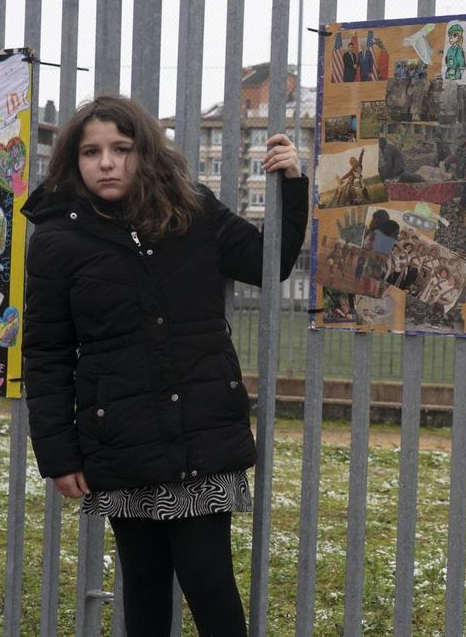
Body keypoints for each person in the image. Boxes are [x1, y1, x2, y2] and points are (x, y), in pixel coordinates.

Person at [22, 95, 308, 636]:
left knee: (210, 582)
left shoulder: (191, 211)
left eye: (121, 148)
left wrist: (292, 184)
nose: (106, 163)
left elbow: (267, 261)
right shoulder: (58, 240)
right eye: (91, 151)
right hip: (122, 439)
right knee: (144, 588)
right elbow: (47, 353)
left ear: (145, 152)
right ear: (73, 161)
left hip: (200, 431)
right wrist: (58, 455)